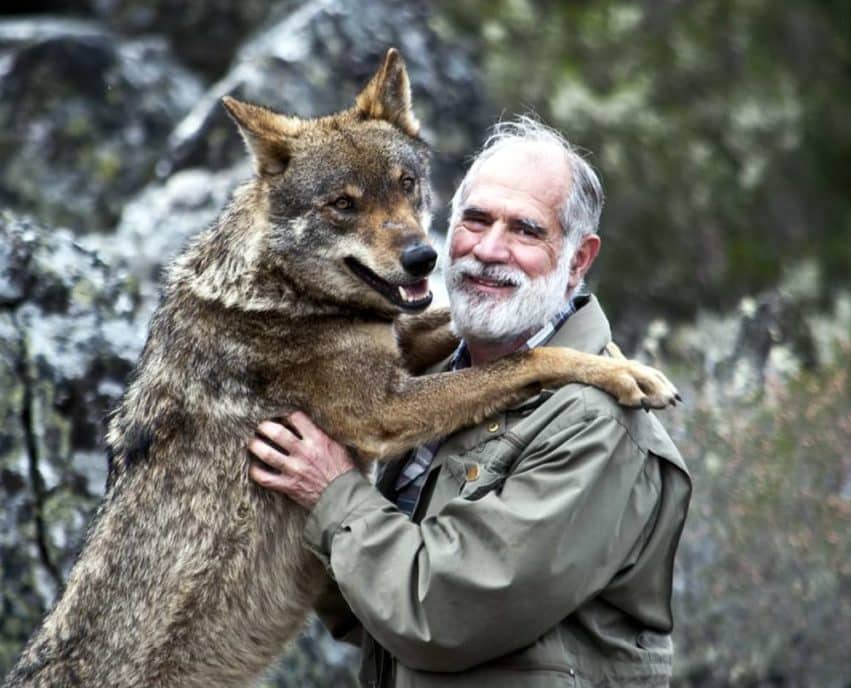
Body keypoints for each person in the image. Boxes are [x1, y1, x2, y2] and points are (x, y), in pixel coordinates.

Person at [248, 117, 692, 687]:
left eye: (526, 231)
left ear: (578, 260)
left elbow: (441, 615)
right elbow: (368, 610)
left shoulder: (597, 424)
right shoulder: (431, 370)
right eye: (475, 221)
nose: (488, 250)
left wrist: (333, 494)